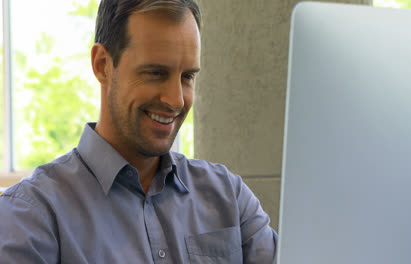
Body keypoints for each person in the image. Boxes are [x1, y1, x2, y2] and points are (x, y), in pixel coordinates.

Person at [0, 0, 278, 263]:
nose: (176, 100)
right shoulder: (32, 216)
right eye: (155, 73)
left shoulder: (229, 197)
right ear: (102, 65)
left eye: (187, 77)